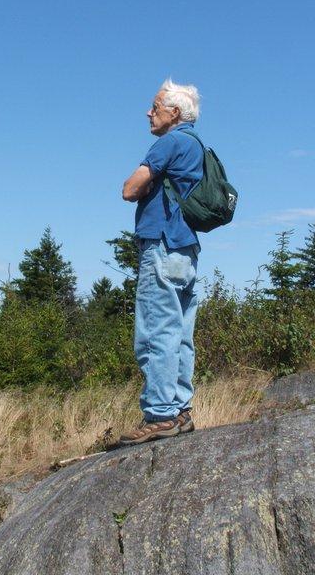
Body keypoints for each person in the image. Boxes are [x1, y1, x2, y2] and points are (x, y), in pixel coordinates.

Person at [118, 78, 203, 446]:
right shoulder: (197, 145)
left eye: (155, 105)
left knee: (155, 332)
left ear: (175, 112)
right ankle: (181, 410)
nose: (148, 112)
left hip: (162, 245)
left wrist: (142, 182)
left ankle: (159, 414)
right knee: (180, 332)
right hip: (186, 248)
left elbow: (129, 189)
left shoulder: (169, 142)